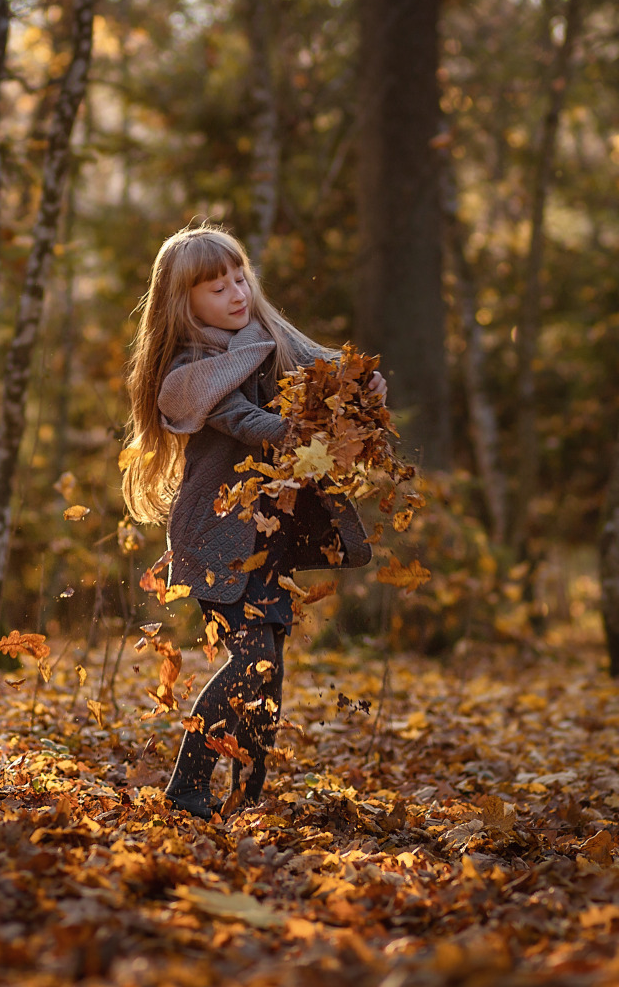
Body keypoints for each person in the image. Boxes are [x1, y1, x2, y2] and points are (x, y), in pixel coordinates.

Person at [120, 222, 380, 819]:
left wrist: (363, 387)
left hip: (268, 539)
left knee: (269, 674)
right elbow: (242, 419)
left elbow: (328, 364)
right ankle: (186, 787)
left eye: (239, 277)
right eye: (216, 288)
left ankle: (246, 795)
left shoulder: (267, 334)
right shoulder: (190, 371)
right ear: (182, 305)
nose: (237, 292)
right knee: (251, 660)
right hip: (216, 537)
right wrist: (307, 435)